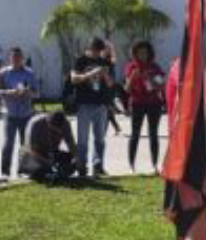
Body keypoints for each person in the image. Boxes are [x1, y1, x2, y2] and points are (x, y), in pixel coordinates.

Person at [70, 39, 114, 178]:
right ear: (89, 47)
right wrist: (91, 73)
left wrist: (104, 74)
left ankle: (98, 165)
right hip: (84, 104)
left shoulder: (106, 62)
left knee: (100, 138)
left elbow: (111, 84)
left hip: (100, 104)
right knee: (82, 139)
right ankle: (82, 167)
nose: (96, 52)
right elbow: (74, 79)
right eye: (94, 49)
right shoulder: (80, 60)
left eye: (99, 50)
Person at [124, 41, 165, 174]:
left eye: (145, 52)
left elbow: (161, 85)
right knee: (135, 134)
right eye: (139, 52)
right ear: (135, 54)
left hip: (154, 104)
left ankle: (154, 165)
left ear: (149, 53)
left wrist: (152, 80)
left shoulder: (155, 67)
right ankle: (131, 166)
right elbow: (127, 89)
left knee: (153, 134)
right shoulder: (131, 67)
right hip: (137, 104)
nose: (142, 55)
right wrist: (132, 77)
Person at [0, 47, 37, 179]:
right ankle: (5, 172)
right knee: (8, 143)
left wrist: (28, 92)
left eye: (18, 57)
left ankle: (23, 170)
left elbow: (37, 93)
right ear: (10, 58)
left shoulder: (30, 73)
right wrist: (10, 92)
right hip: (10, 114)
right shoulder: (3, 73)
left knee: (25, 144)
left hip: (26, 114)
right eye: (13, 57)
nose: (16, 59)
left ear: (22, 58)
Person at [18, 112, 77, 184]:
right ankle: (41, 172)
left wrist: (76, 158)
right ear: (48, 122)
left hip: (51, 153)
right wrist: (46, 162)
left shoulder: (65, 123)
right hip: (32, 154)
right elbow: (31, 150)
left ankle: (54, 173)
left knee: (68, 159)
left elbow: (71, 143)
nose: (57, 132)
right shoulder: (36, 123)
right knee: (38, 170)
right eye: (54, 129)